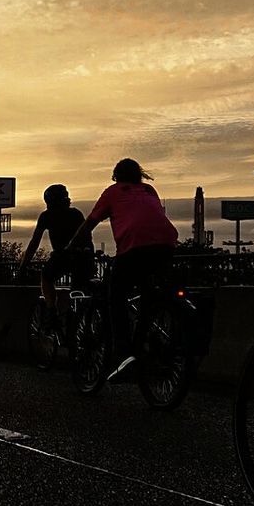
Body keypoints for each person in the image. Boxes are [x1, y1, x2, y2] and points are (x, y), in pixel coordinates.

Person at [66, 159, 178, 380]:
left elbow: (89, 223)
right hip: (166, 244)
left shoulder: (113, 192)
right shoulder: (149, 190)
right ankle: (145, 343)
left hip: (134, 247)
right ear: (140, 175)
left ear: (116, 176)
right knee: (148, 295)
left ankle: (125, 353)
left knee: (115, 296)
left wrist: (70, 247)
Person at [18, 184, 94, 326]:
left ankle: (52, 310)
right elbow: (87, 235)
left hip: (63, 256)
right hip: (84, 256)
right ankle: (79, 323)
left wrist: (23, 265)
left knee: (46, 276)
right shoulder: (76, 214)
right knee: (80, 289)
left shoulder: (46, 216)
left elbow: (34, 242)